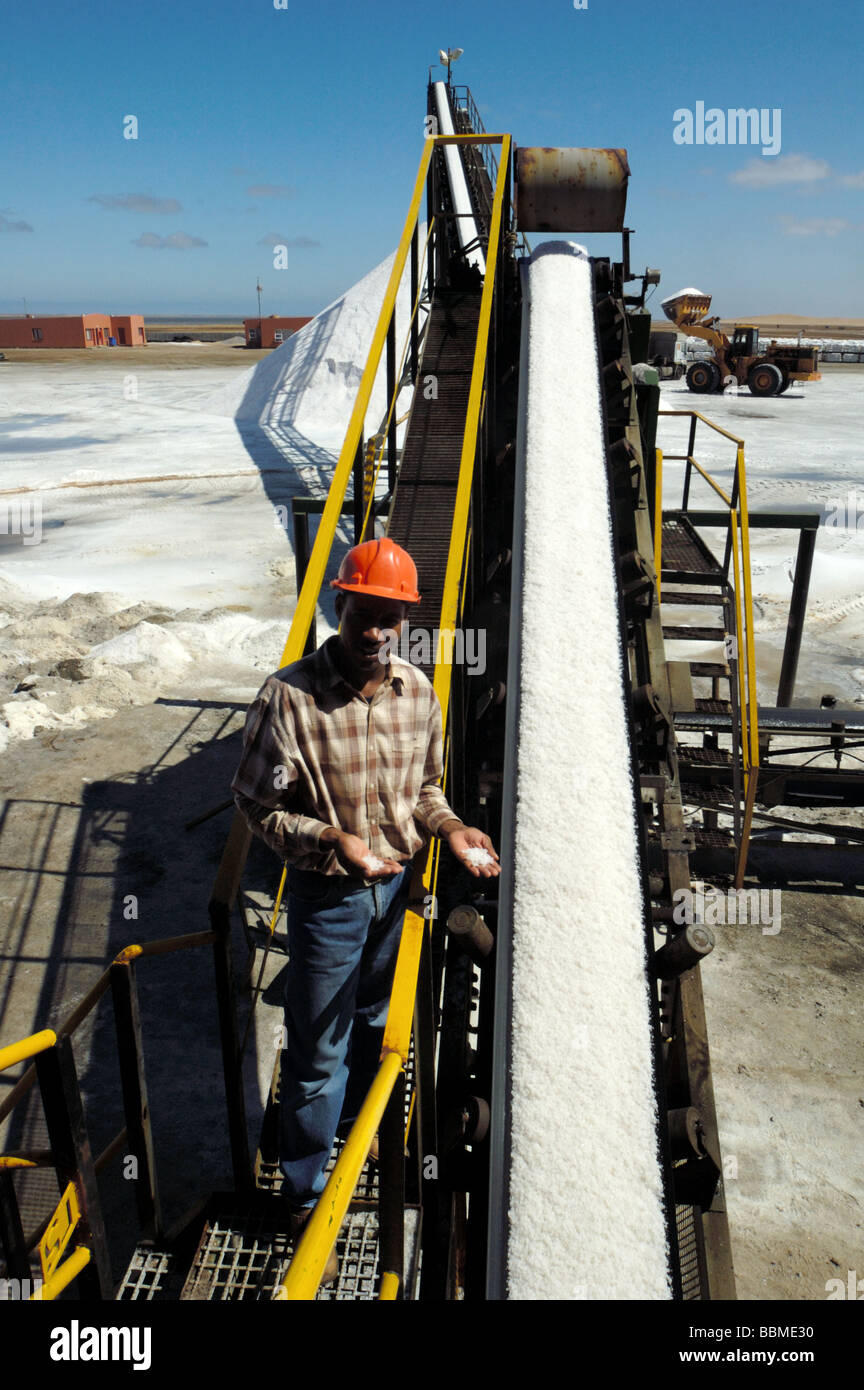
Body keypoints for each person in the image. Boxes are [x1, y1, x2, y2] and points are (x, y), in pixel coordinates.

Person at [231, 536, 499, 1278]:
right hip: (329, 896)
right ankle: (307, 1187)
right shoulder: (288, 698)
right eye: (364, 614)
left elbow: (427, 792)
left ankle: (359, 1131)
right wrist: (333, 841)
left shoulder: (418, 692)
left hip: (400, 891)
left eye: (391, 617)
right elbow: (256, 805)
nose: (377, 632)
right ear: (338, 605)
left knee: (379, 1023)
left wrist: (454, 828)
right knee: (317, 1046)